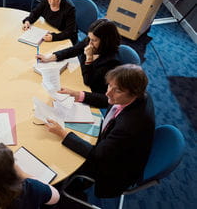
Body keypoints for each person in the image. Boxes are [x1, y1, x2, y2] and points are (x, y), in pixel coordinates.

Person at [45, 64, 155, 199]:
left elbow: (97, 155)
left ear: (134, 93)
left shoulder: (129, 126)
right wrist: (78, 95)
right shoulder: (135, 94)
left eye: (117, 90)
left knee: (58, 158)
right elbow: (109, 100)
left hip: (114, 168)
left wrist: (62, 133)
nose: (108, 92)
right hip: (113, 143)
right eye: (109, 85)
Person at [37, 18, 122, 94]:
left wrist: (89, 58)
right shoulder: (90, 41)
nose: (90, 43)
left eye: (94, 40)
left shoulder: (111, 61)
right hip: (80, 78)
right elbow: (73, 50)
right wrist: (50, 57)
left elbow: (88, 81)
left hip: (92, 91)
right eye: (89, 38)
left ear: (105, 41)